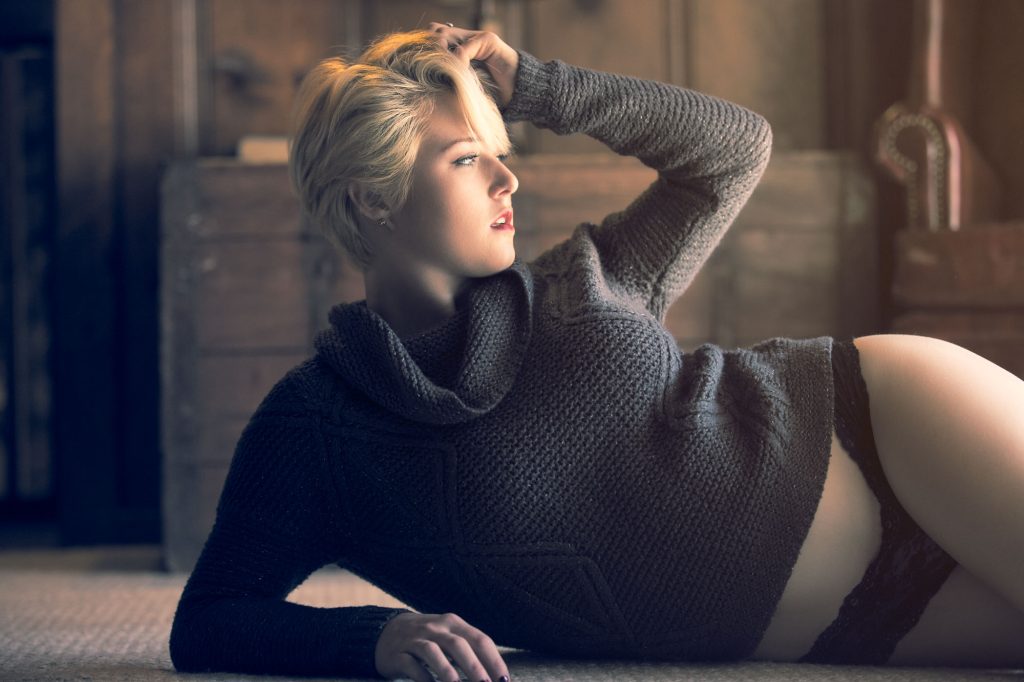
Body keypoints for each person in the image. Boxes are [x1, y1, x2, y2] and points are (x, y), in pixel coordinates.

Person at [169, 21, 1024, 682]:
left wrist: (537, 85)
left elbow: (732, 151)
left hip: (882, 425)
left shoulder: (582, 278)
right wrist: (378, 637)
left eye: (501, 156)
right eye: (470, 159)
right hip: (853, 620)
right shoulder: (316, 423)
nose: (509, 182)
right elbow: (210, 618)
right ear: (374, 198)